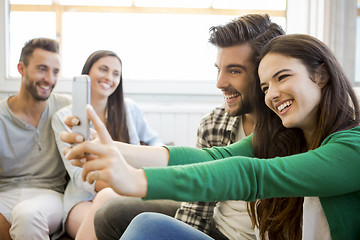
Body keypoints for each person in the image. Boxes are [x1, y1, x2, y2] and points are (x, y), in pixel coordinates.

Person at [61, 34, 360, 239]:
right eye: (266, 86)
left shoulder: (352, 146)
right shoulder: (289, 137)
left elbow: (256, 175)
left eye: (282, 77)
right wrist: (110, 148)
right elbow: (213, 156)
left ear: (320, 75)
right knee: (144, 223)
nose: (273, 93)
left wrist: (136, 180)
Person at [94, 13, 284, 240]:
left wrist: (133, 176)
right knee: (110, 212)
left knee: (147, 225)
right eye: (218, 69)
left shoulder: (292, 129)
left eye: (234, 71)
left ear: (265, 72)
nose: (220, 83)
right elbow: (200, 189)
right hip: (216, 226)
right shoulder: (215, 123)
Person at [51, 50, 174, 240]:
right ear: (87, 73)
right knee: (107, 199)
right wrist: (122, 184)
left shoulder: (128, 108)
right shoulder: (64, 117)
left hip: (128, 191)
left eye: (116, 74)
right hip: (84, 198)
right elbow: (78, 175)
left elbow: (155, 142)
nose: (109, 77)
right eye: (103, 69)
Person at [0, 38, 71, 240]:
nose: (49, 79)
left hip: (48, 193)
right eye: (42, 69)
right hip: (5, 192)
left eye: (55, 71)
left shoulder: (66, 107)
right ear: (21, 69)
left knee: (27, 215)